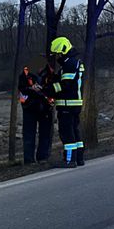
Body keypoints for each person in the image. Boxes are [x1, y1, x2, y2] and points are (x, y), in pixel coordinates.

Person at [49, 36, 85, 167]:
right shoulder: (74, 62)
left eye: (58, 53)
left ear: (63, 51)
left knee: (66, 132)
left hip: (67, 105)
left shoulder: (69, 64)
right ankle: (79, 158)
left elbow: (65, 85)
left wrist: (48, 89)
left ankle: (70, 160)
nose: (57, 56)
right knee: (75, 131)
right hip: (75, 104)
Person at [18, 62, 55, 164]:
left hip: (45, 108)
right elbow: (22, 89)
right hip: (29, 108)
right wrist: (32, 89)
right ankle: (29, 160)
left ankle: (42, 157)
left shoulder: (50, 73)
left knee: (45, 134)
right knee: (29, 135)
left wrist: (45, 93)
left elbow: (53, 89)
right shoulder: (25, 74)